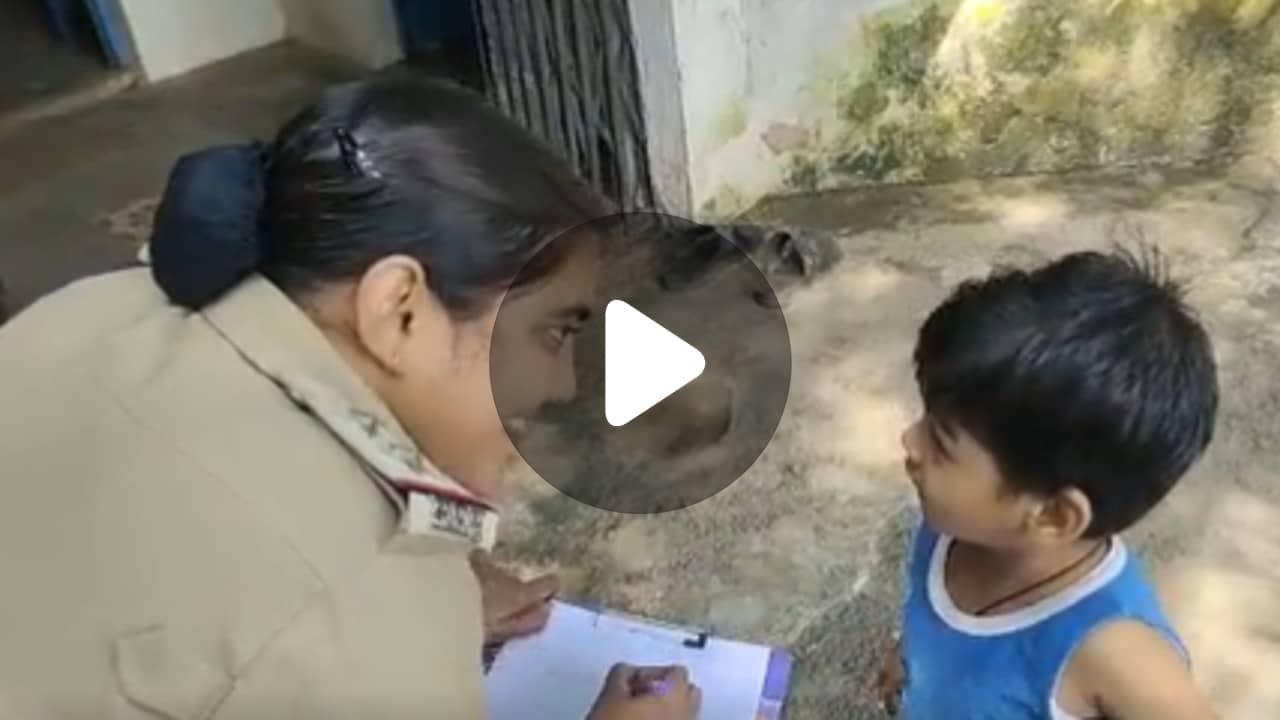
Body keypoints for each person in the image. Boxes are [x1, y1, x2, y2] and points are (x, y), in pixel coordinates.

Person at [0, 77, 699, 719]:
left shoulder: (84, 308)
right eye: (552, 332)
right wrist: (401, 620)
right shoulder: (361, 618)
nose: (562, 384)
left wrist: (435, 594)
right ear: (399, 311)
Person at [877, 249, 1221, 719]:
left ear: (1054, 515)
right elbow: (936, 623)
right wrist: (911, 659)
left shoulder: (1116, 655)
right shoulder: (952, 523)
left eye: (940, 442)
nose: (910, 441)